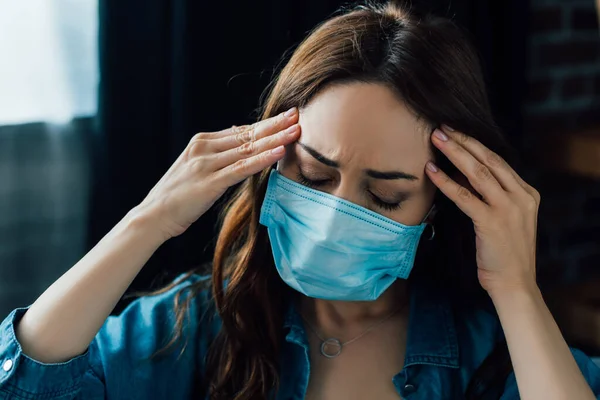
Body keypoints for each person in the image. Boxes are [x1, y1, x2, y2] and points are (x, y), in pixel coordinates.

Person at [1, 2, 599, 399]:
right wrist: (147, 221)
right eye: (314, 177)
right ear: (270, 159)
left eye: (385, 198)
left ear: (440, 206)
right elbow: (25, 382)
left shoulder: (488, 353)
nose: (333, 220)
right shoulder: (195, 329)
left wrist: (517, 290)